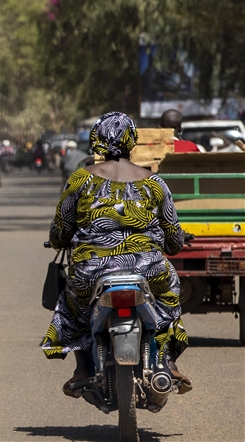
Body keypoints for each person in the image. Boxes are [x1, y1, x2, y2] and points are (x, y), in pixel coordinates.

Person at [41, 111, 191, 398]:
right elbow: (173, 237)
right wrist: (171, 244)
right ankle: (168, 361)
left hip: (90, 273)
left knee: (72, 306)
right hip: (149, 271)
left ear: (96, 140)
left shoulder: (80, 179)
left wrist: (63, 240)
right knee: (170, 298)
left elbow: (60, 231)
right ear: (132, 141)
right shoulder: (154, 183)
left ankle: (82, 367)